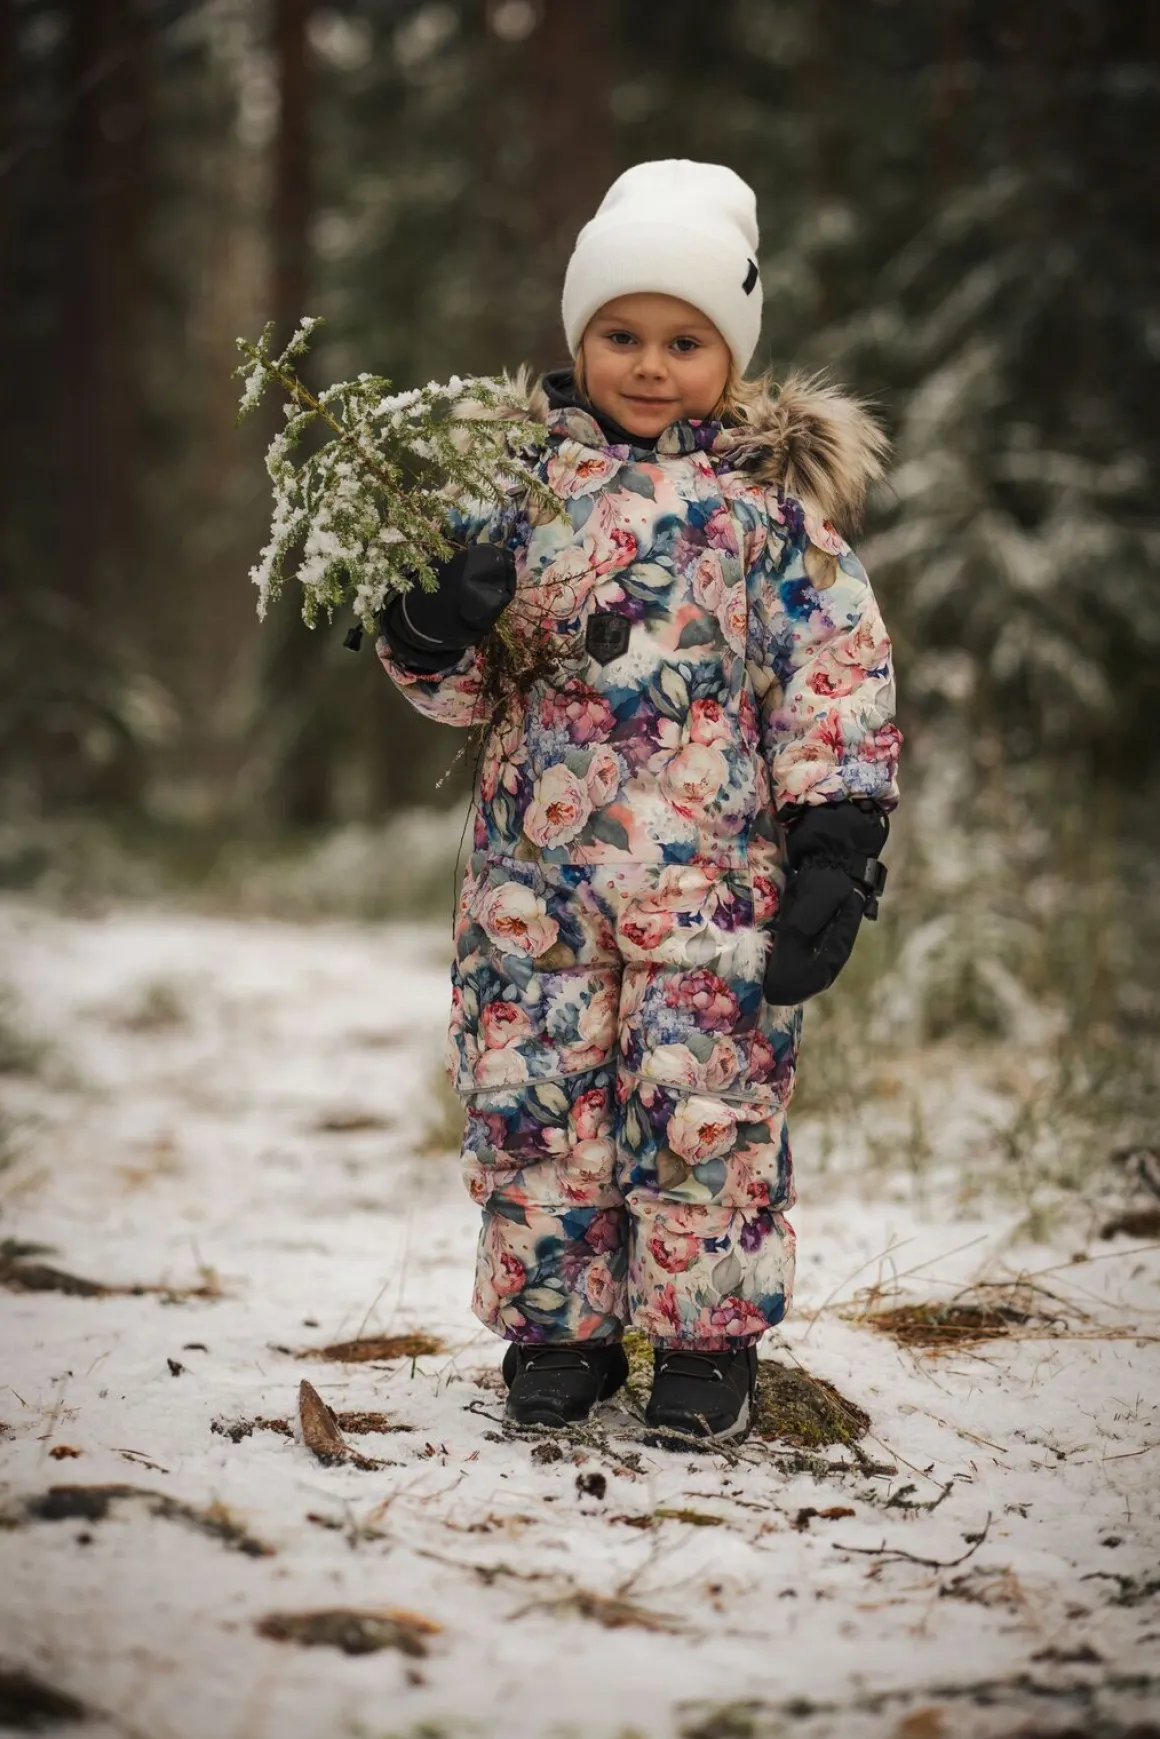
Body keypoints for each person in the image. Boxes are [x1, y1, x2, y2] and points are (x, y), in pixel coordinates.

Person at [378, 160, 900, 1444]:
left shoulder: (767, 518)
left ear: (731, 355)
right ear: (577, 340)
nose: (650, 365)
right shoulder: (512, 496)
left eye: (683, 340)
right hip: (533, 890)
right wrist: (433, 624)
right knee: (535, 1099)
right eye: (620, 334)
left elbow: (830, 675)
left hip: (711, 892)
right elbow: (460, 691)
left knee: (701, 1104)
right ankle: (557, 1334)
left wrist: (835, 842)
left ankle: (703, 1345)